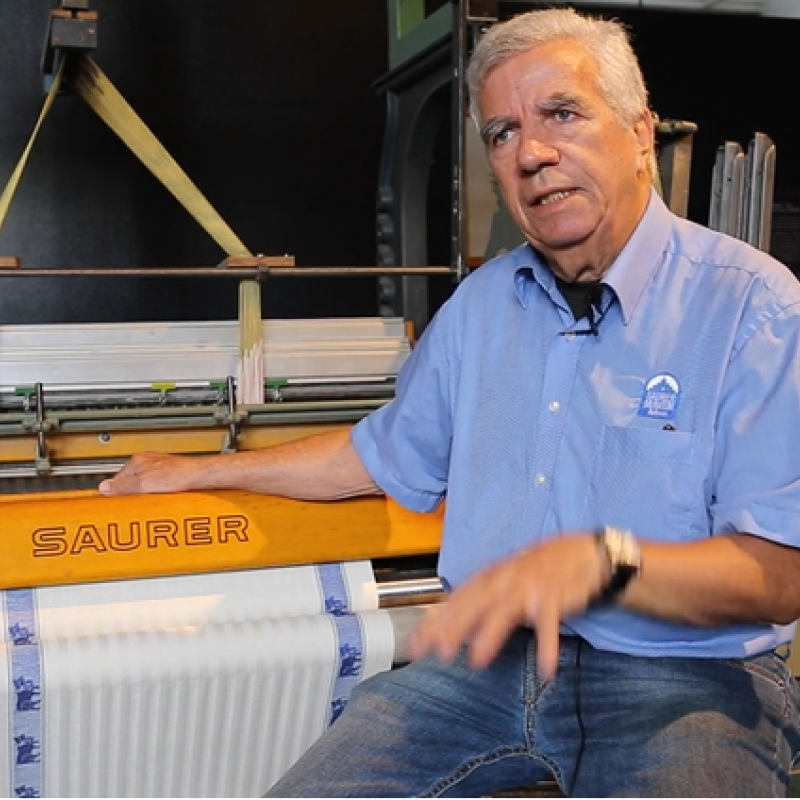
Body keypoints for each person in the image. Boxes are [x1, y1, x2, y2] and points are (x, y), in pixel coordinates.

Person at [99, 6, 800, 797]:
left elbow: (780, 573)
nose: (532, 153)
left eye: (562, 114)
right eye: (503, 132)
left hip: (684, 679)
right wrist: (205, 469)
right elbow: (376, 454)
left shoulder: (754, 307)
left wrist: (604, 562)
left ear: (640, 132)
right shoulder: (479, 308)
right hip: (481, 666)